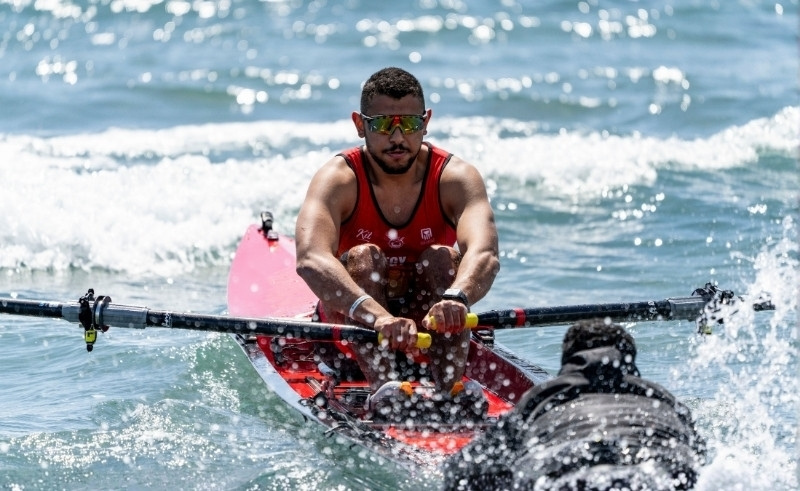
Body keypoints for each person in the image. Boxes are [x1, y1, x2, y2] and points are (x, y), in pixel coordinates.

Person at [294, 67, 499, 410]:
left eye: (410, 123)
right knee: (365, 257)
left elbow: (485, 253)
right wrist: (380, 318)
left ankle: (450, 388)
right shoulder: (338, 179)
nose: (398, 137)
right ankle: (385, 387)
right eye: (382, 125)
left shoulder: (456, 177)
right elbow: (311, 260)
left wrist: (458, 298)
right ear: (360, 125)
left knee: (442, 257)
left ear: (426, 121)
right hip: (355, 329)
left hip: (426, 327)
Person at [442, 319, 708, 490]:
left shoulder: (542, 397)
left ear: (568, 362)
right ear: (631, 363)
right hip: (663, 470)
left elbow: (464, 469)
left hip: (567, 469)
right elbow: (701, 459)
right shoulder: (664, 399)